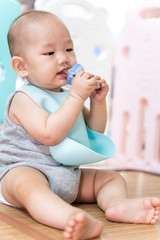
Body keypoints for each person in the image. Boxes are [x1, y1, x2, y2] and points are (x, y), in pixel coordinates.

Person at [0, 10, 160, 240]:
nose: (63, 58)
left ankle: (117, 204)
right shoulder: (23, 99)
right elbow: (49, 134)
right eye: (49, 52)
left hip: (67, 174)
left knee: (111, 178)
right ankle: (69, 218)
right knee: (28, 185)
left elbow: (92, 133)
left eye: (68, 49)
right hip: (24, 170)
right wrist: (76, 97)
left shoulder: (67, 95)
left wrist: (97, 102)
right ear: (22, 66)